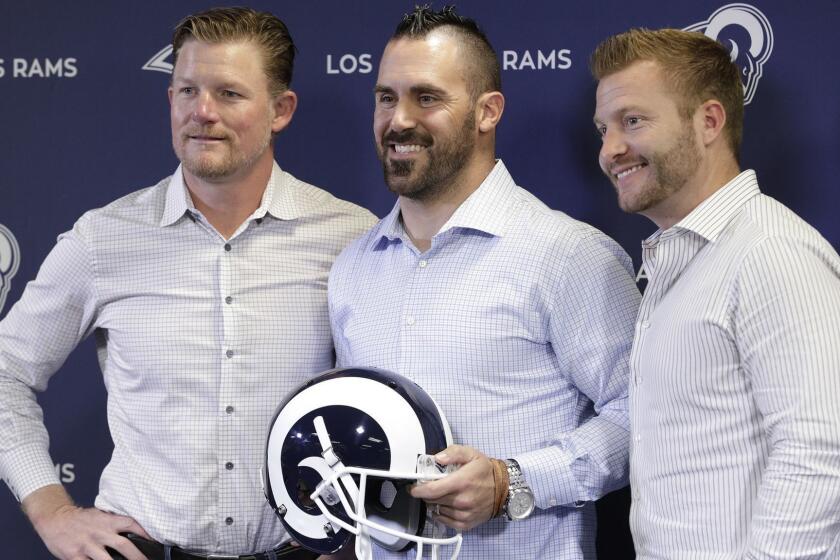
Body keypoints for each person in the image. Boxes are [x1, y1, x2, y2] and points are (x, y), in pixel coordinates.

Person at [0, 7, 375, 560]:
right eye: (186, 90)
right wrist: (51, 508)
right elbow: (6, 370)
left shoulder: (352, 238)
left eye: (229, 93)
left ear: (281, 110)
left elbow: (392, 397)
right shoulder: (105, 240)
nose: (202, 112)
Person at [328, 6, 641, 559]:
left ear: (486, 111)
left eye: (426, 98)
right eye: (385, 97)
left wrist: (512, 480)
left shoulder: (568, 256)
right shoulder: (353, 268)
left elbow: (643, 415)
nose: (398, 120)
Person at [591, 28, 840, 558]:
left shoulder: (771, 253)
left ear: (708, 122)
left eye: (632, 121)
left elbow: (820, 456)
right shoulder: (677, 261)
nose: (610, 150)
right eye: (603, 129)